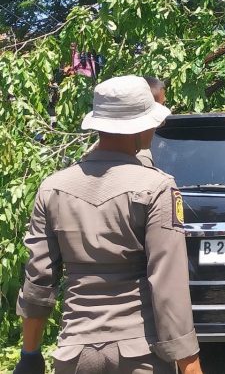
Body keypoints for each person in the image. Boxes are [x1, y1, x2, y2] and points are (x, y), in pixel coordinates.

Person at [13, 75, 202, 374]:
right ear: (141, 126)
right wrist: (190, 367)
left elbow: (38, 281)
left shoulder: (53, 188)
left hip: (74, 354)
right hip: (142, 354)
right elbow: (169, 286)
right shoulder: (157, 187)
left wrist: (30, 355)